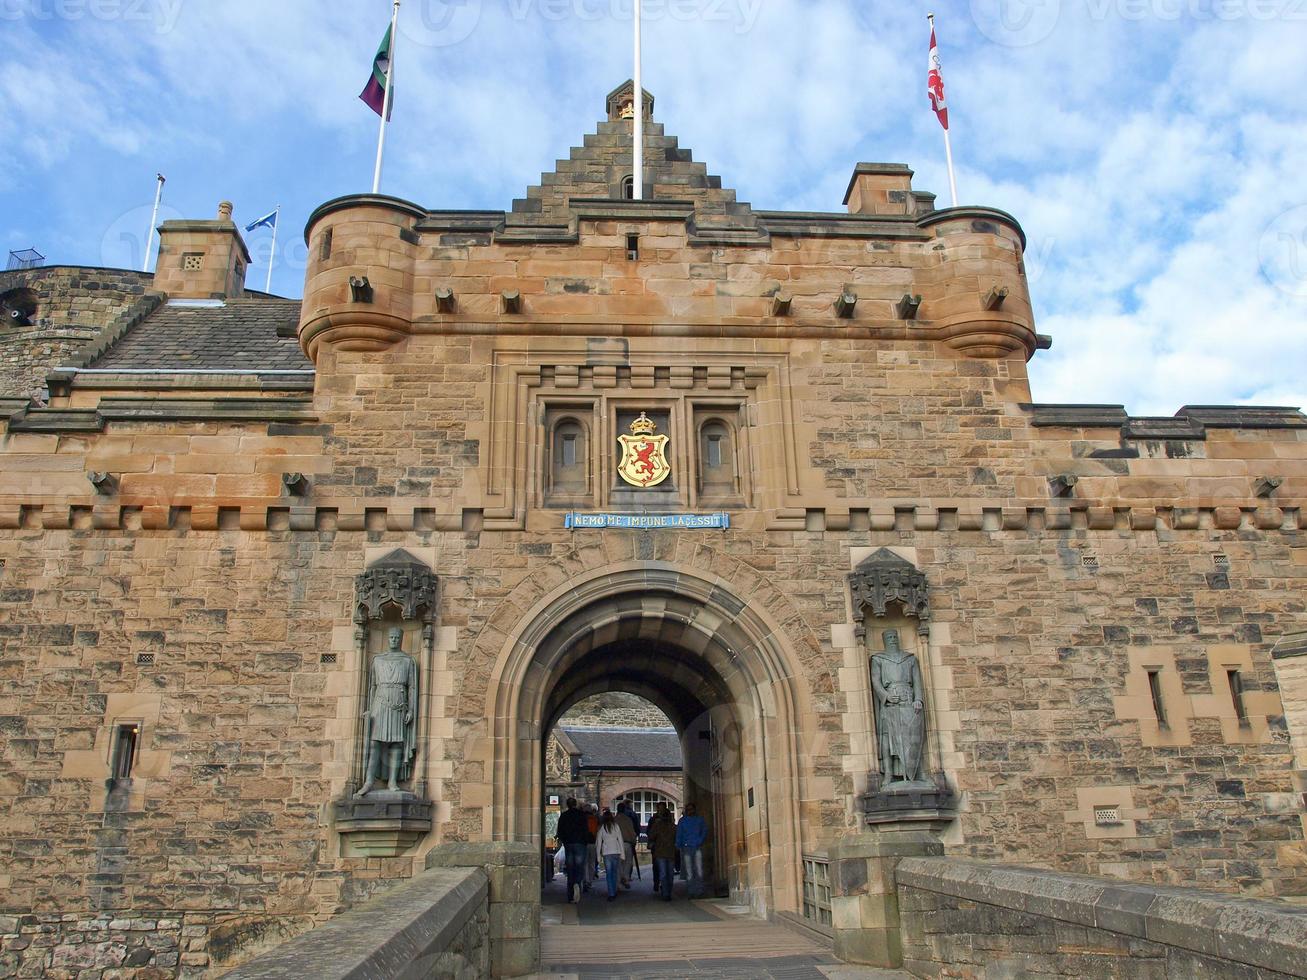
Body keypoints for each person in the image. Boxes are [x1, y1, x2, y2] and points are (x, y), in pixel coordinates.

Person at [353, 627, 418, 798]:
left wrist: (411, 709)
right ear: (388, 639)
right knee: (375, 744)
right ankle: (368, 781)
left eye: (397, 637)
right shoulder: (377, 660)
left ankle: (392, 781)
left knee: (397, 744)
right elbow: (372, 687)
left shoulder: (407, 661)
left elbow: (411, 687)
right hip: (380, 704)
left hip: (398, 704)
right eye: (391, 637)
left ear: (401, 639)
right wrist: (369, 709)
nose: (394, 640)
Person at [555, 798, 589, 903]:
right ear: (575, 804)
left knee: (570, 868)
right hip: (580, 843)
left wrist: (564, 841)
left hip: (569, 844)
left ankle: (570, 894)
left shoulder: (564, 816)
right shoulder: (581, 815)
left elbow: (559, 831)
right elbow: (585, 829)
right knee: (579, 867)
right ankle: (577, 884)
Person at [675, 801, 707, 898]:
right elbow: (679, 834)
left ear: (694, 810)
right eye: (688, 809)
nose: (690, 811)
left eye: (691, 809)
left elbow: (704, 830)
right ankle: (691, 892)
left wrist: (700, 840)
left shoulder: (700, 820)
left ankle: (699, 891)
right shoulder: (682, 821)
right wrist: (679, 845)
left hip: (696, 846)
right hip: (686, 847)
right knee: (689, 871)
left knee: (699, 870)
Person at [646, 802, 677, 901]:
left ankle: (666, 892)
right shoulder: (657, 824)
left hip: (665, 851)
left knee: (666, 873)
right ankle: (666, 892)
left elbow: (651, 835)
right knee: (666, 873)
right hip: (663, 851)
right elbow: (651, 834)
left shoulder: (672, 826)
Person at [595, 809, 626, 901]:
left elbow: (598, 843)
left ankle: (611, 893)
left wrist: (598, 856)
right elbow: (620, 840)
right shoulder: (616, 826)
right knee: (614, 872)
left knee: (609, 873)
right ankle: (614, 889)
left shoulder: (602, 828)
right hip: (616, 851)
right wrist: (622, 853)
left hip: (606, 852)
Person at [614, 800, 638, 889]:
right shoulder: (628, 820)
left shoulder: (614, 820)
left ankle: (619, 881)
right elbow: (632, 832)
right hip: (627, 843)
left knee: (619, 864)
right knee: (628, 862)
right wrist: (634, 840)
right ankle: (626, 878)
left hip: (617, 844)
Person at [583, 803, 599, 891]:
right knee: (592, 863)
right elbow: (596, 831)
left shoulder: (581, 819)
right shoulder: (594, 819)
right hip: (593, 842)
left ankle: (585, 880)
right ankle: (590, 881)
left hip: (584, 843)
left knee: (585, 863)